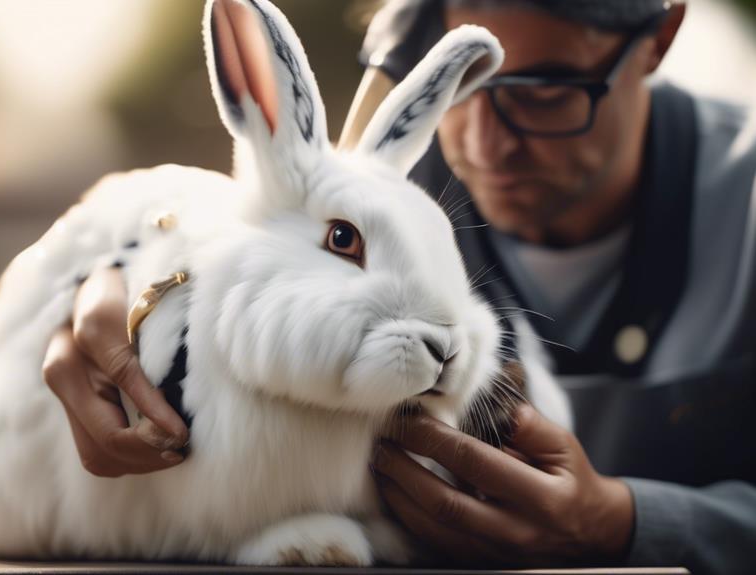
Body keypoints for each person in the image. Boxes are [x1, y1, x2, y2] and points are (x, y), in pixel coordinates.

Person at [41, 0, 756, 572]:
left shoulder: (742, 198)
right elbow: (256, 229)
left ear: (659, 39)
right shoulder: (403, 187)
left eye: (546, 94)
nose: (484, 145)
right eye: (465, 95)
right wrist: (117, 272)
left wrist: (630, 524)